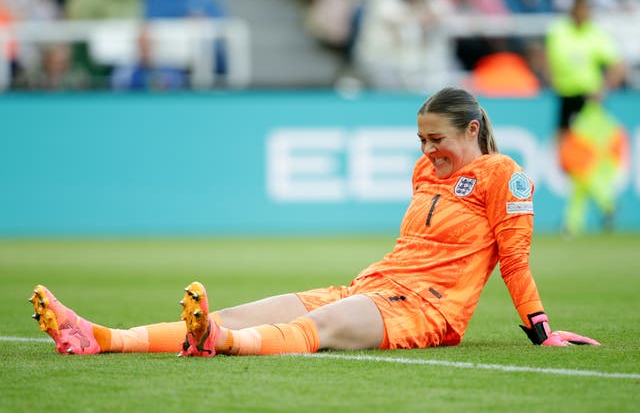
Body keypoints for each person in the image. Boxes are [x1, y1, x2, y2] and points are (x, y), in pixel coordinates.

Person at [29, 87, 601, 357]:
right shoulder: (423, 174)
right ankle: (100, 337)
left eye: (438, 139)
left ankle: (219, 346)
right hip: (374, 286)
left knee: (319, 330)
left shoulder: (507, 175)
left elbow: (514, 259)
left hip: (429, 309)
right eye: (421, 140)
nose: (428, 151)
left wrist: (541, 329)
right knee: (241, 311)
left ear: (472, 129)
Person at [545, 0, 627, 234]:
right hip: (565, 99)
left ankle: (572, 222)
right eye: (579, 10)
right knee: (572, 162)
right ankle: (605, 203)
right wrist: (550, 80)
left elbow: (618, 66)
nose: (582, 14)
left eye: (586, 11)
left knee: (580, 160)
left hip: (589, 102)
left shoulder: (596, 36)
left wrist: (603, 89)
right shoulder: (558, 31)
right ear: (573, 10)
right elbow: (548, 60)